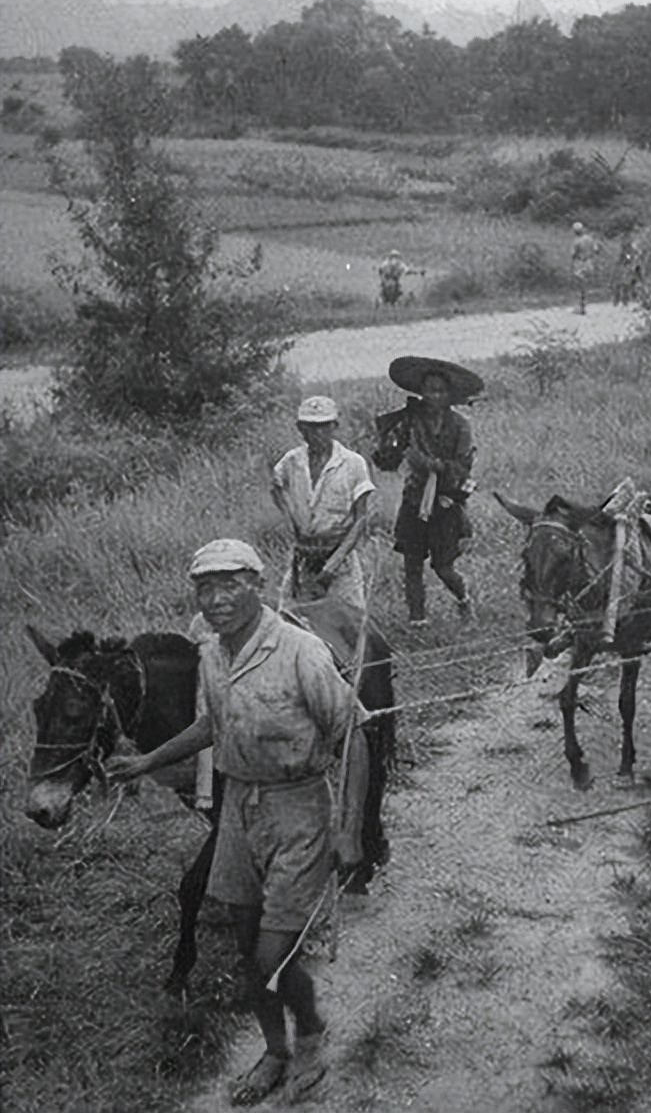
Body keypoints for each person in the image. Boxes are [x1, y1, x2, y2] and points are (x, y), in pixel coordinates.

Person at [109, 540, 371, 1106]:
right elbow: (212, 724)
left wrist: (349, 831)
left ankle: (310, 1036)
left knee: (271, 954)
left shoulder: (301, 651)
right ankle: (275, 1050)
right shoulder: (213, 653)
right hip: (238, 809)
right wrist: (148, 761)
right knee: (249, 944)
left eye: (230, 584)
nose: (217, 598)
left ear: (258, 585)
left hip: (298, 806)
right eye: (206, 587)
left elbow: (355, 735)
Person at [387, 355, 481, 624]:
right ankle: (417, 619)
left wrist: (431, 465)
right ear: (421, 392)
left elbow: (463, 467)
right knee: (412, 563)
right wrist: (392, 443)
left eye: (440, 391)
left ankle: (463, 599)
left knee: (443, 566)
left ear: (449, 395)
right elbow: (389, 457)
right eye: (429, 390)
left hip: (446, 499)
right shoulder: (410, 421)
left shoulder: (460, 425)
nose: (434, 396)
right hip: (415, 498)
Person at [272, 397, 377, 612]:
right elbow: (276, 487)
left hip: (339, 558)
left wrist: (332, 565)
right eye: (310, 427)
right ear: (301, 429)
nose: (317, 433)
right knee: (292, 619)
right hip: (304, 557)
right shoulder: (291, 462)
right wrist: (292, 520)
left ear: (334, 426)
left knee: (348, 620)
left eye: (323, 426)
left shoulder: (353, 463)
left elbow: (361, 518)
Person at [570, 221, 600, 315]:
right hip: (589, 263)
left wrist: (572, 263)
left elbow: (573, 254)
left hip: (580, 263)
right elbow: (596, 250)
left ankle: (580, 307)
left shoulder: (576, 241)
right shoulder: (590, 239)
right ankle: (585, 304)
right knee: (586, 285)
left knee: (579, 285)